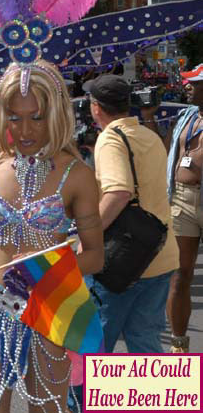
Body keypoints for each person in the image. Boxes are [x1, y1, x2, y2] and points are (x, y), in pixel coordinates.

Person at [0, 60, 104, 413]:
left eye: (37, 117)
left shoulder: (77, 174)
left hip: (48, 310)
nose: (25, 129)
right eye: (14, 117)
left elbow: (95, 255)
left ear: (57, 114)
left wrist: (44, 275)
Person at [86, 74, 178, 352]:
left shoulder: (111, 139)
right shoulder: (147, 135)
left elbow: (119, 192)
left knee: (96, 345)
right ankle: (152, 396)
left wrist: (88, 237)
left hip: (122, 260)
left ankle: (88, 397)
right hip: (159, 252)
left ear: (96, 107)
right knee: (145, 343)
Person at [142, 62, 203, 353]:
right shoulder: (186, 119)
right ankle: (179, 346)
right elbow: (163, 152)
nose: (188, 87)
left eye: (195, 82)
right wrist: (149, 118)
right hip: (181, 200)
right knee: (180, 275)